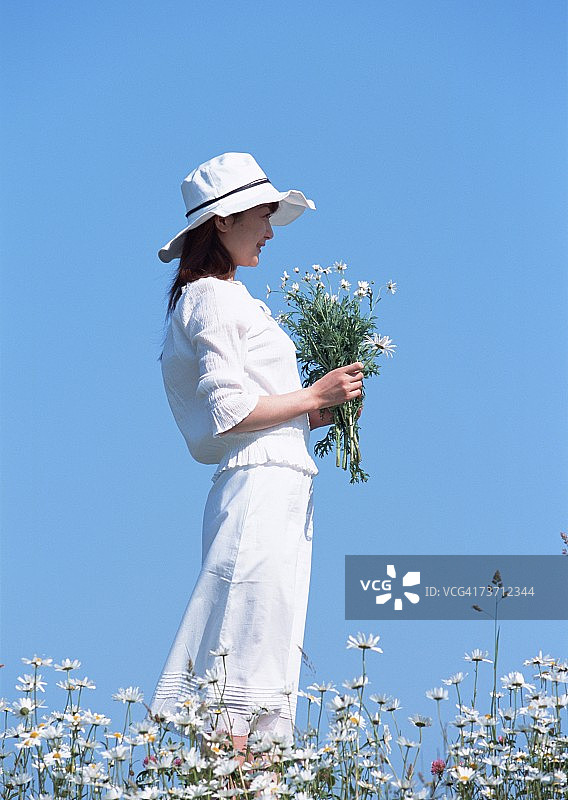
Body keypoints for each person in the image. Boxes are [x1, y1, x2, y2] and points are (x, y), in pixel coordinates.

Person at [149, 152, 363, 762]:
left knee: (268, 643)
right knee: (242, 641)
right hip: (259, 486)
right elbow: (228, 414)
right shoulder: (212, 298)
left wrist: (310, 410)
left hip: (280, 482)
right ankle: (228, 774)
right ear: (221, 222)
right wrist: (313, 394)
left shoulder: (227, 297)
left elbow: (251, 409)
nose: (270, 232)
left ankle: (253, 777)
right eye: (262, 217)